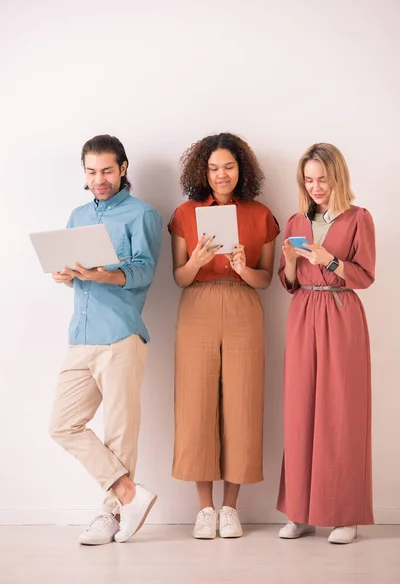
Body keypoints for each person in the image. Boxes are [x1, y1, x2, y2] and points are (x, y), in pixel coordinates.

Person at [49, 135, 162, 545]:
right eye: (92, 171)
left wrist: (104, 274)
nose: (100, 179)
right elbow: (75, 271)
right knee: (62, 424)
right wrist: (66, 275)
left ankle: (110, 515)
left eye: (107, 171)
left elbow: (145, 271)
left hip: (120, 334)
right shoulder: (78, 215)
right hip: (80, 335)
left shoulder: (142, 215)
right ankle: (129, 494)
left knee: (119, 432)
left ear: (124, 168)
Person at [168, 133, 280, 539]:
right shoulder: (185, 213)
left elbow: (266, 279)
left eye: (228, 167)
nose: (221, 175)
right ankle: (204, 510)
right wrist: (196, 262)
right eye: (213, 168)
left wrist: (243, 268)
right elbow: (179, 278)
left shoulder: (261, 215)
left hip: (243, 305)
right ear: (202, 170)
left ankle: (230, 507)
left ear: (241, 169)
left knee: (242, 401)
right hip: (197, 305)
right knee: (196, 401)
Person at [277, 142, 375, 544]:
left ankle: (343, 513)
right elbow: (289, 282)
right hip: (303, 313)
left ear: (338, 178)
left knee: (340, 414)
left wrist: (328, 261)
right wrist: (289, 260)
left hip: (340, 313)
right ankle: (300, 513)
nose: (316, 187)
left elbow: (366, 275)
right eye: (309, 179)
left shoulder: (359, 219)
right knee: (300, 411)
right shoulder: (295, 221)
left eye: (323, 179)